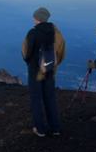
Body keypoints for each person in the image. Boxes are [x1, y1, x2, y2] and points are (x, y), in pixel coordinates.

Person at [22, 7, 66, 137]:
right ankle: (55, 128)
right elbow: (61, 51)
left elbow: (26, 53)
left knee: (36, 99)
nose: (32, 18)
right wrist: (53, 65)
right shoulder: (56, 32)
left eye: (34, 16)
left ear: (38, 18)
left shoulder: (32, 33)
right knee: (50, 98)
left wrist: (30, 62)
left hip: (35, 72)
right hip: (50, 70)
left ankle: (40, 129)